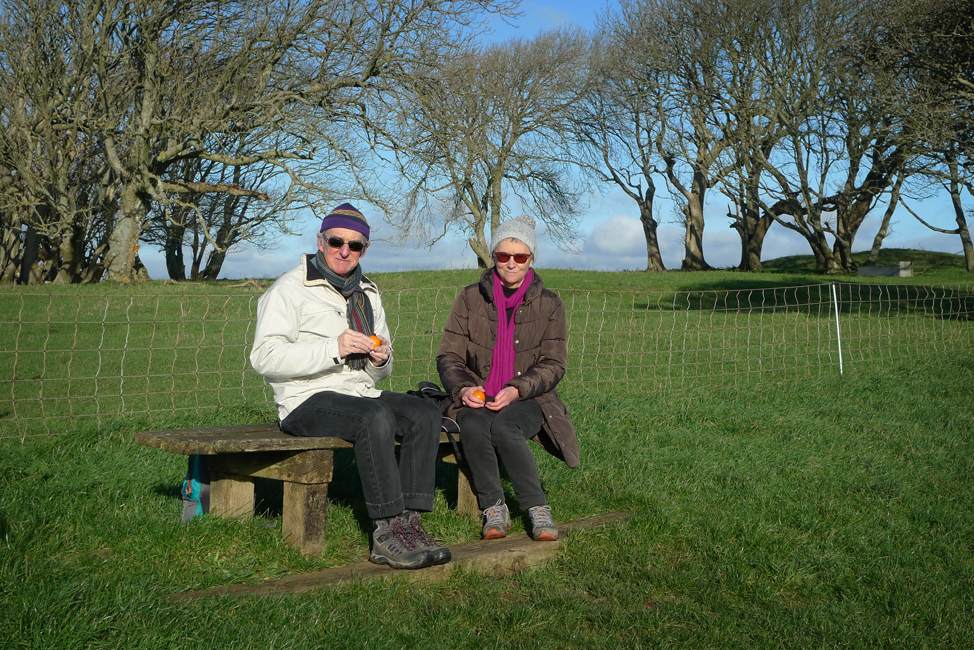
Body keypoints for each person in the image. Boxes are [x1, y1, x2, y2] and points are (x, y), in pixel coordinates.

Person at [250, 203, 450, 570]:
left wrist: (380, 360)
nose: (344, 251)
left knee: (423, 412)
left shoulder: (368, 293)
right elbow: (264, 357)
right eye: (336, 242)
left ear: (364, 250)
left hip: (359, 392)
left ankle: (411, 525)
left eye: (354, 245)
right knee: (374, 417)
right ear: (320, 242)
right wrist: (334, 348)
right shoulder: (290, 288)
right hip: (304, 399)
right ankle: (386, 531)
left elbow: (377, 373)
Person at [436, 214, 579, 541]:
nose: (511, 263)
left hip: (530, 398)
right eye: (503, 255)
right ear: (494, 257)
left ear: (532, 259)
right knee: (472, 424)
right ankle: (493, 507)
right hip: (478, 395)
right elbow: (449, 355)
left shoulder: (550, 304)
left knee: (505, 427)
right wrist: (464, 388)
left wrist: (517, 389)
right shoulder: (469, 298)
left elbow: (554, 363)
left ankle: (536, 507)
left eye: (520, 256)